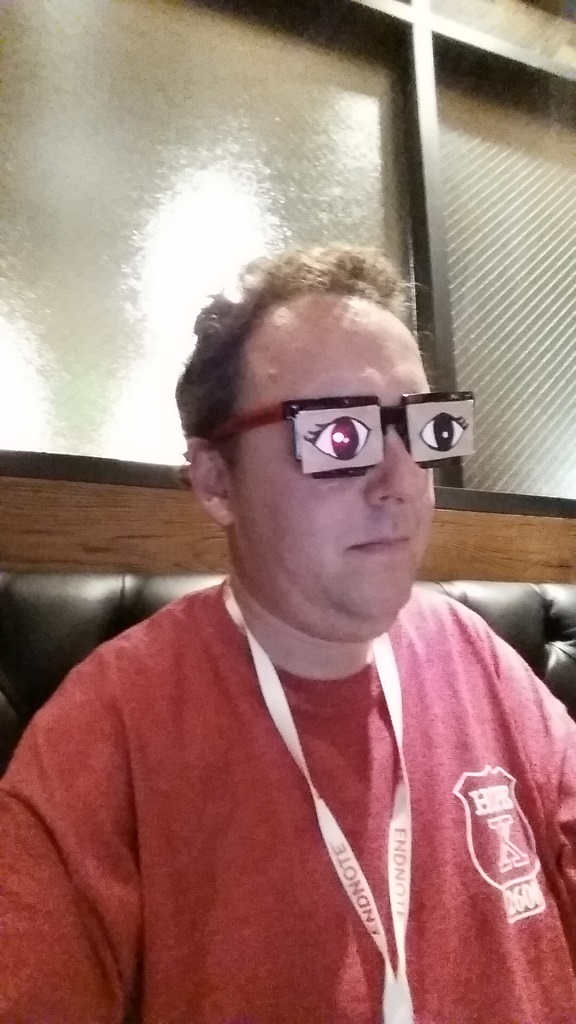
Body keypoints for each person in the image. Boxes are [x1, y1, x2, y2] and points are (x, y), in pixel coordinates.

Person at [1, 244, 576, 1024]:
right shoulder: (107, 732)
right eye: (340, 436)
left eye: (424, 428)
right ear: (216, 481)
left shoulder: (475, 656)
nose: (402, 482)